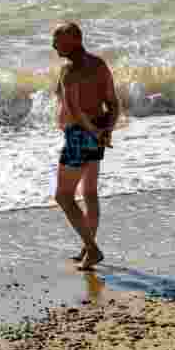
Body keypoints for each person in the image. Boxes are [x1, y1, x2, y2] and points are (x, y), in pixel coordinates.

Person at [51, 22, 120, 270]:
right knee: (89, 192)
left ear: (74, 40)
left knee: (63, 196)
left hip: (80, 136)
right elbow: (114, 103)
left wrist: (93, 132)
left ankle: (92, 249)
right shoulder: (99, 64)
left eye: (57, 40)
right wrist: (105, 131)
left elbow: (74, 111)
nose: (53, 45)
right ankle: (87, 246)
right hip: (97, 133)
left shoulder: (69, 71)